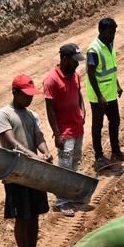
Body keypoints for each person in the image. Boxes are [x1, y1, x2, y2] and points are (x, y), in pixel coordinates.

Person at [0, 75, 55, 247]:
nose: (30, 99)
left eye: (31, 95)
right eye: (26, 95)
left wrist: (45, 151)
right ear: (15, 92)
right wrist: (33, 156)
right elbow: (11, 141)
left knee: (35, 217)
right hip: (16, 175)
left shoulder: (32, 115)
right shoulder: (4, 114)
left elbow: (38, 136)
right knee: (23, 219)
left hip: (34, 174)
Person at [43, 43, 87, 217]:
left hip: (77, 127)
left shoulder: (74, 75)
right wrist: (58, 134)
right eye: (74, 61)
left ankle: (73, 194)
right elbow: (50, 109)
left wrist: (83, 109)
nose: (77, 64)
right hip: (65, 132)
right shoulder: (51, 80)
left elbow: (78, 94)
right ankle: (62, 201)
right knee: (64, 166)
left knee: (75, 161)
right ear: (64, 59)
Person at [86, 17, 124, 168]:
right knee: (97, 125)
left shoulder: (109, 44)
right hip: (99, 98)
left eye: (114, 32)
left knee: (115, 121)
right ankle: (99, 156)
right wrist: (99, 96)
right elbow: (90, 74)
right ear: (101, 31)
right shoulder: (94, 50)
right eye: (110, 32)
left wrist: (117, 85)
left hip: (110, 94)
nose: (113, 35)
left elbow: (111, 69)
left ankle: (115, 151)